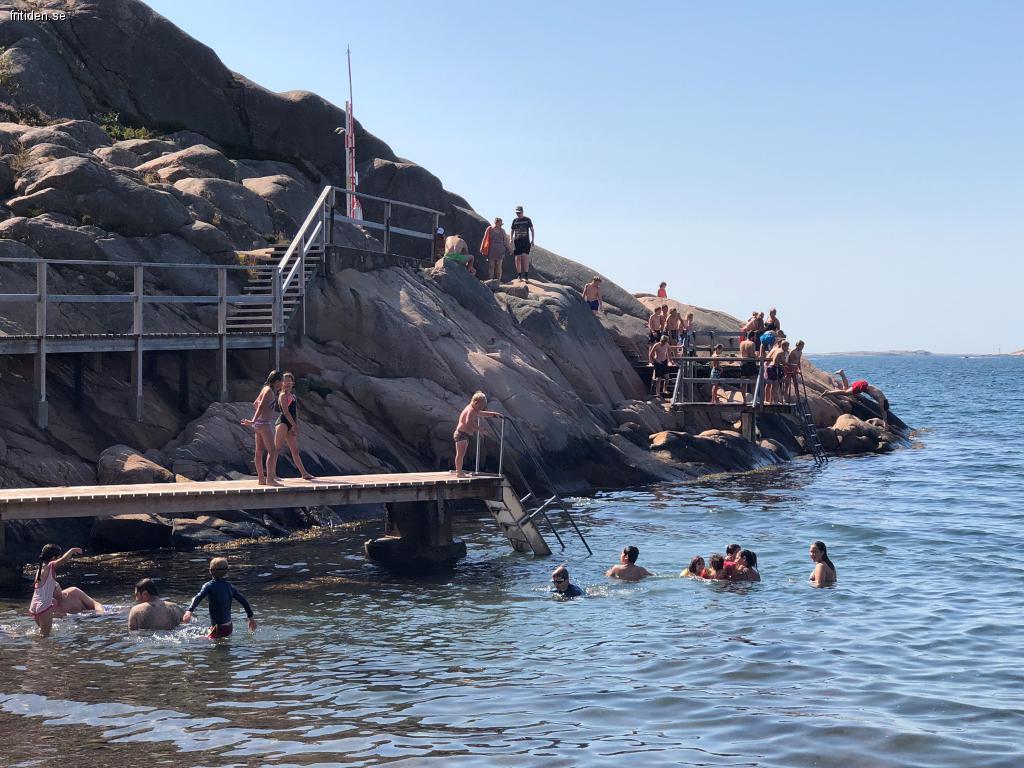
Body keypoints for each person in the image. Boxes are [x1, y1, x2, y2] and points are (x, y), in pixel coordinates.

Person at [29, 544, 104, 637]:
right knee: (45, 637)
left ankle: (34, 646)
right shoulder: (50, 566)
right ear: (53, 558)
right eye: (58, 557)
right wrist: (72, 550)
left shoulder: (40, 569)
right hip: (43, 605)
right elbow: (64, 560)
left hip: (34, 605)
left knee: (41, 634)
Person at [182, 557, 257, 639]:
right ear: (227, 572)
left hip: (218, 629)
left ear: (210, 571)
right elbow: (244, 602)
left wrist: (189, 611)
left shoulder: (208, 586)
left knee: (200, 640)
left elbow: (198, 597)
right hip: (229, 627)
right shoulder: (230, 587)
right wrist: (251, 619)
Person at [241, 370, 283, 486]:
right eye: (281, 381)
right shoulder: (269, 391)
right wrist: (253, 420)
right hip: (264, 424)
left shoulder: (265, 388)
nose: (282, 384)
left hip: (258, 424)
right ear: (277, 381)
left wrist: (256, 420)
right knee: (272, 451)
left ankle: (261, 479)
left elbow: (255, 403)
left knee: (259, 450)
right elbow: (259, 407)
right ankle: (270, 479)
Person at [452, 391, 505, 477]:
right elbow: (468, 422)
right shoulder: (471, 410)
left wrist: (493, 414)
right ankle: (459, 472)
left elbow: (481, 414)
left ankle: (459, 471)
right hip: (461, 434)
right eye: (481, 406)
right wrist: (480, 429)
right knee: (460, 454)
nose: (481, 408)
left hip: (464, 435)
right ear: (476, 403)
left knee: (461, 454)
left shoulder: (474, 409)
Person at [274, 372, 314, 480]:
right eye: (285, 382)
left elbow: (294, 412)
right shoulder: (282, 395)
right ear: (281, 383)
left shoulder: (293, 396)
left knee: (295, 450)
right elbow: (286, 413)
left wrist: (294, 425)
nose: (287, 384)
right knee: (276, 449)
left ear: (293, 383)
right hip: (282, 423)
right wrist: (294, 425)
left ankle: (304, 473)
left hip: (290, 424)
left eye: (289, 382)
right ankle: (272, 474)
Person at [824, 369, 890, 420]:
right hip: (862, 386)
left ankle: (842, 373)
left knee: (846, 388)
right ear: (883, 404)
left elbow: (884, 411)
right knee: (845, 393)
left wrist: (885, 422)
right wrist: (885, 422)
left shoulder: (883, 398)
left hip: (863, 383)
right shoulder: (881, 400)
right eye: (881, 406)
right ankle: (828, 392)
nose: (880, 406)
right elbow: (883, 411)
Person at [481, 217, 511, 282]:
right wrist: (482, 248)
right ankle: (491, 280)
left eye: (501, 224)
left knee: (499, 266)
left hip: (500, 250)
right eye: (500, 224)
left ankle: (498, 281)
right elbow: (485, 238)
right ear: (496, 223)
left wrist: (510, 249)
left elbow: (505, 241)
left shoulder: (502, 231)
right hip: (491, 250)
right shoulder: (489, 229)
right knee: (491, 265)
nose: (501, 225)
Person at [510, 205, 534, 283]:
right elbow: (512, 230)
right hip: (517, 241)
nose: (518, 214)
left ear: (522, 212)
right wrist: (511, 238)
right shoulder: (515, 220)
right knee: (518, 258)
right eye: (517, 213)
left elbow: (532, 230)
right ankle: (519, 275)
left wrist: (533, 240)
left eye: (519, 213)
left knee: (525, 257)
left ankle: (526, 276)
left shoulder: (527, 220)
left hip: (526, 241)